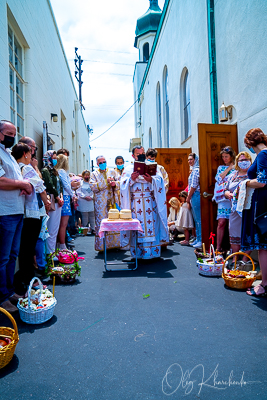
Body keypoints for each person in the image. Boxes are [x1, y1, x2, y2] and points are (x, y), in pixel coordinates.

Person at [0, 120, 32, 312]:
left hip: (17, 210)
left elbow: (14, 179)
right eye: (9, 133)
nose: (13, 136)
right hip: (5, 212)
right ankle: (2, 297)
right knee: (3, 257)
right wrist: (22, 185)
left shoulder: (7, 154)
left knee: (12, 255)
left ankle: (9, 291)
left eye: (14, 133)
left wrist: (23, 184)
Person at [120, 145, 168, 259]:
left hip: (150, 203)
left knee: (151, 227)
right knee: (138, 228)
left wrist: (151, 180)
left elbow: (160, 181)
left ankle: (152, 253)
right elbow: (122, 186)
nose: (141, 156)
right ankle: (138, 254)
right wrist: (131, 179)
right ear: (133, 156)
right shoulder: (128, 169)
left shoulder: (152, 166)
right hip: (135, 204)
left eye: (143, 153)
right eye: (138, 154)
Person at [12, 143, 48, 291]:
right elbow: (40, 186)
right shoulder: (26, 167)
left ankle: (26, 277)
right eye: (30, 153)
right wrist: (46, 202)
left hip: (23, 211)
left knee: (24, 248)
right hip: (32, 212)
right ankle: (29, 280)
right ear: (25, 154)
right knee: (29, 248)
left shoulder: (16, 167)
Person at [241, 128, 267, 296]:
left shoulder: (263, 154)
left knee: (264, 247)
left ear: (251, 142)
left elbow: (262, 181)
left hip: (263, 205)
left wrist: (245, 183)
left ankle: (264, 285)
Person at [89, 155, 120, 251]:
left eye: (104, 162)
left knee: (114, 221)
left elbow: (120, 181)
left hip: (112, 200)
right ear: (97, 164)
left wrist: (115, 183)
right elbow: (93, 186)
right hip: (100, 203)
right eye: (100, 163)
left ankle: (114, 244)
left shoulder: (112, 171)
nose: (103, 164)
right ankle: (102, 245)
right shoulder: (94, 174)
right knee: (101, 222)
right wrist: (105, 182)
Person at [224, 151, 252, 257]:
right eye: (241, 160)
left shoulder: (252, 173)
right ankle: (235, 259)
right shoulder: (233, 175)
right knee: (234, 234)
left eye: (246, 160)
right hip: (235, 210)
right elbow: (225, 190)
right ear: (237, 162)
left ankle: (245, 260)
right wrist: (228, 194)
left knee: (248, 234)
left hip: (249, 209)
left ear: (250, 161)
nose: (244, 162)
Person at [213, 146, 236, 252]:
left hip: (233, 198)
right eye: (223, 157)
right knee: (221, 222)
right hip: (223, 199)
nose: (224, 159)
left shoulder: (237, 167)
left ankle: (233, 248)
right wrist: (229, 168)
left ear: (231, 156)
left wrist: (233, 167)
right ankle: (218, 248)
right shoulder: (221, 168)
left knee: (233, 223)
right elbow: (219, 178)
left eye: (226, 156)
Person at [41, 150, 63, 255]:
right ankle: (49, 252)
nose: (55, 160)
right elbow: (50, 185)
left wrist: (61, 197)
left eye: (55, 158)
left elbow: (60, 185)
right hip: (52, 199)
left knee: (55, 228)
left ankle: (52, 251)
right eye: (53, 157)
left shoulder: (55, 171)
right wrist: (58, 198)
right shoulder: (45, 170)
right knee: (50, 227)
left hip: (58, 199)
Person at [55, 154, 74, 250]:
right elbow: (66, 185)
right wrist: (73, 194)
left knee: (61, 223)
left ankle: (60, 244)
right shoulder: (62, 171)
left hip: (64, 197)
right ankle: (62, 245)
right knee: (63, 224)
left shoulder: (60, 171)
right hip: (65, 197)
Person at [187, 153, 202, 248]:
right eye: (188, 160)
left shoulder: (196, 170)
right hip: (193, 195)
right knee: (196, 219)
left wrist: (188, 198)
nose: (189, 161)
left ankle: (200, 239)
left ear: (195, 160)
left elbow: (193, 186)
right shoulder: (193, 170)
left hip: (195, 195)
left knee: (198, 219)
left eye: (191, 159)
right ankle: (198, 238)